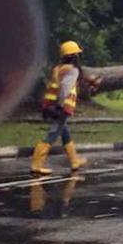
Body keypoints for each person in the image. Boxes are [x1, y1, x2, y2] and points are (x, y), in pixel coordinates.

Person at [31, 41, 100, 175]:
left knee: (64, 132)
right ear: (74, 56)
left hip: (50, 105)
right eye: (77, 55)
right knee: (52, 134)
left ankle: (74, 161)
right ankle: (36, 164)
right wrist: (60, 107)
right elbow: (64, 90)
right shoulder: (72, 70)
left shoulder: (59, 68)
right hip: (61, 108)